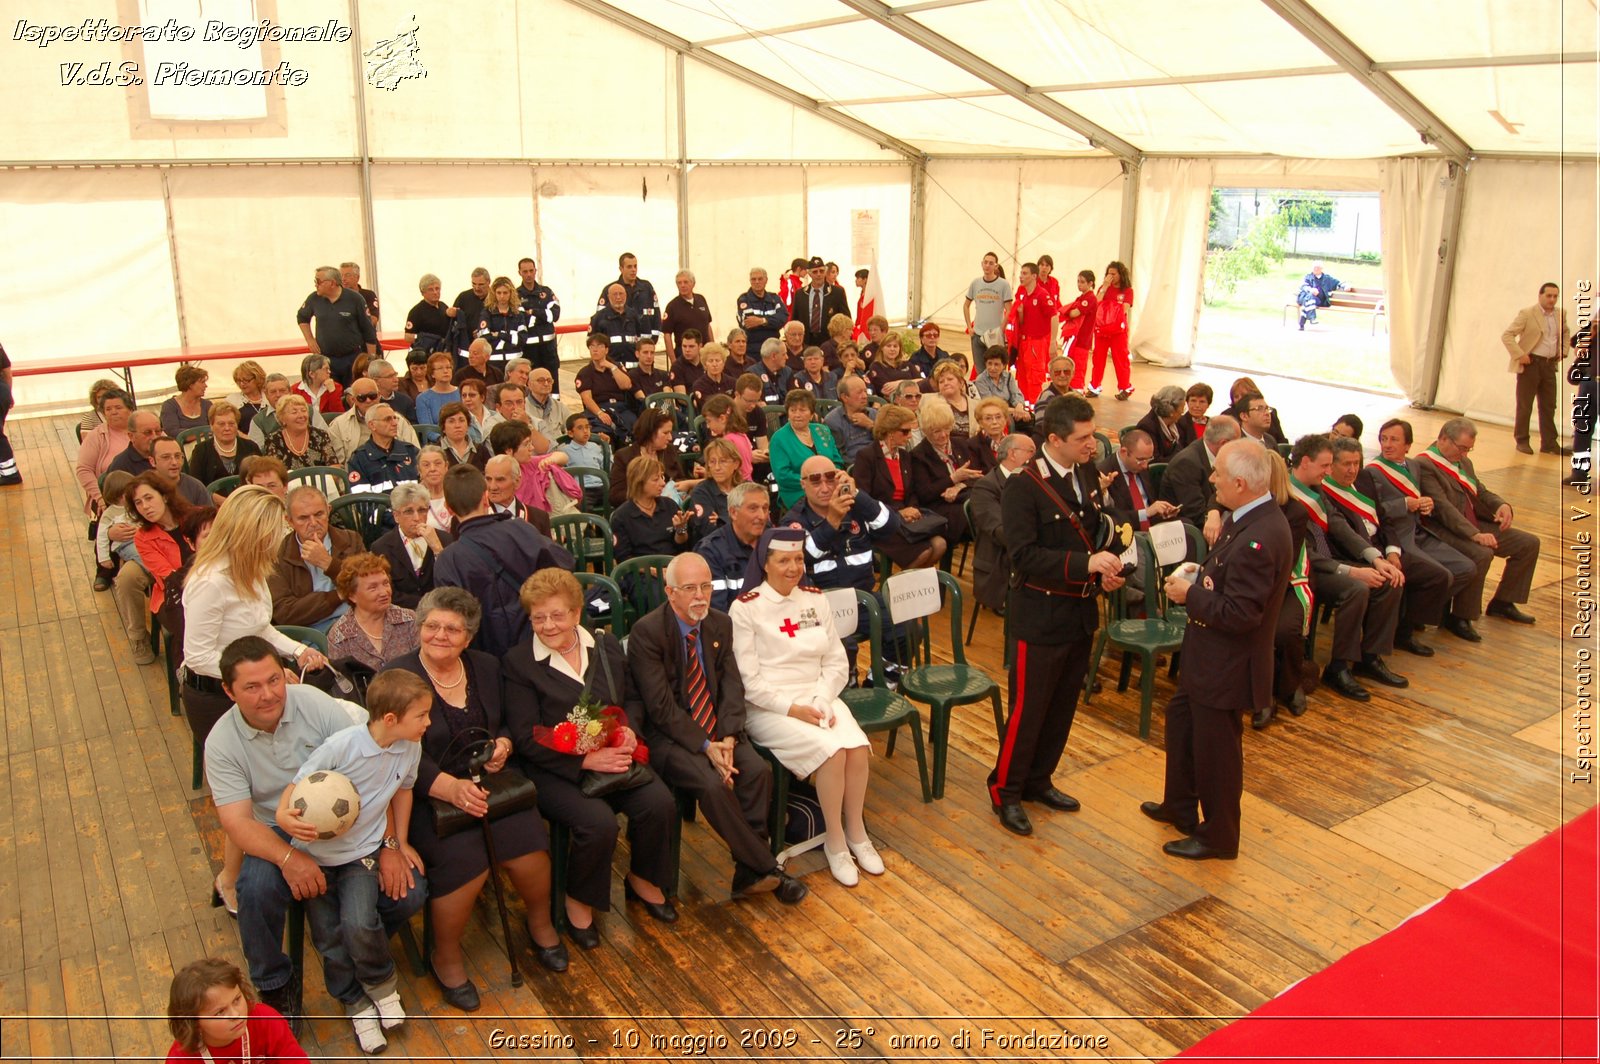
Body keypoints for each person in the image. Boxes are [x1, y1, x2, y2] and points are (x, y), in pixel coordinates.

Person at [392, 589, 566, 1006]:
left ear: (469, 638)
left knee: (528, 850)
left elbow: (506, 722)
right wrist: (448, 787)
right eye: (432, 626)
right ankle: (446, 956)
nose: (440, 635)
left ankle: (540, 925)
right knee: (465, 862)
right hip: (427, 795)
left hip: (493, 786)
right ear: (419, 629)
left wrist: (503, 744)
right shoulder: (397, 677)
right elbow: (394, 750)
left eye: (452, 629)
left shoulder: (486, 666)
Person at [503, 569, 678, 947]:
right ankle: (578, 898)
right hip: (555, 770)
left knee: (660, 803)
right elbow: (523, 735)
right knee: (598, 825)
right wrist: (582, 762)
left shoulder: (607, 645)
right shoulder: (519, 663)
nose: (548, 626)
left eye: (557, 615)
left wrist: (629, 728)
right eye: (538, 617)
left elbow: (631, 696)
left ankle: (643, 879)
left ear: (577, 613)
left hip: (613, 755)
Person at [1143, 439, 1292, 860]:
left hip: (1227, 664)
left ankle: (1220, 835)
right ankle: (1181, 805)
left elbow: (1242, 613)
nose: (1212, 480)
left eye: (1219, 475)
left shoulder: (1259, 537)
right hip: (1207, 656)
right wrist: (1201, 573)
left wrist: (1188, 594)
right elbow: (1227, 577)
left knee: (1217, 754)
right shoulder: (1248, 517)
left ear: (1241, 483)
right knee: (1182, 724)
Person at [628, 553, 807, 903]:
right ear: (670, 592)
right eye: (690, 588)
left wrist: (726, 737)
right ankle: (766, 867)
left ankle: (747, 873)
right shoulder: (647, 633)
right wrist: (706, 746)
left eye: (706, 586)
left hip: (716, 730)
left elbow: (731, 687)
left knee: (757, 771)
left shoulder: (720, 624)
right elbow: (661, 708)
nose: (700, 596)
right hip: (671, 738)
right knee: (712, 785)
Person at [989, 395, 1125, 836]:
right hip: (1041, 612)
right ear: (1054, 439)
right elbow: (1024, 556)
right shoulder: (1022, 487)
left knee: (1063, 703)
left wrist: (1103, 571)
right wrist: (1085, 565)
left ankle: (1039, 779)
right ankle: (1006, 790)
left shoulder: (1084, 470)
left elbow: (1087, 529)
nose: (1093, 446)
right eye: (1083, 438)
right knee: (1030, 709)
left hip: (1079, 608)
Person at [275, 670, 430, 1052]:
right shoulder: (342, 746)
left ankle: (381, 986)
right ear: (390, 719)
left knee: (359, 922)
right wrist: (282, 816)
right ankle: (354, 1002)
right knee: (329, 936)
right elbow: (297, 786)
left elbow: (403, 791)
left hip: (362, 853)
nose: (429, 722)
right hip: (317, 858)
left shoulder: (411, 746)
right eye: (422, 715)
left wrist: (399, 842)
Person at [729, 528, 880, 887]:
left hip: (818, 695)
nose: (793, 567)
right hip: (770, 708)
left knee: (857, 748)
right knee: (832, 752)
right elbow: (749, 682)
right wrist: (793, 708)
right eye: (783, 560)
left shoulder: (815, 599)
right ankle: (836, 842)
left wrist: (822, 698)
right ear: (765, 564)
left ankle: (857, 832)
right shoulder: (745, 608)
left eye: (798, 559)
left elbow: (837, 663)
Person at [1290, 434, 1406, 702]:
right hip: (1304, 570)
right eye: (1325, 466)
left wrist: (1376, 558)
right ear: (1306, 462)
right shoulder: (1285, 493)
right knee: (1357, 589)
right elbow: (1302, 553)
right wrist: (1352, 571)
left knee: (1388, 580)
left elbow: (1339, 526)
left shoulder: (1315, 487)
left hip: (1331, 561)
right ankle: (1339, 666)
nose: (1329, 472)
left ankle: (1369, 658)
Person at [1326, 434, 1452, 659]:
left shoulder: (1363, 480)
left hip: (1383, 547)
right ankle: (1371, 656)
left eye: (1356, 463)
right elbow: (1343, 535)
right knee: (1390, 584)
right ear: (1331, 465)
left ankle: (1403, 632)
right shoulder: (1325, 492)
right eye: (1346, 464)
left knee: (1437, 575)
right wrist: (1379, 559)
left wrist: (1393, 551)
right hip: (1356, 555)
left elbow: (1384, 519)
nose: (1352, 469)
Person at [1419, 417, 1543, 638]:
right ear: (1444, 438)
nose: (1465, 454)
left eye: (1469, 449)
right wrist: (1475, 534)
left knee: (1528, 544)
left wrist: (1502, 504)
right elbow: (1444, 509)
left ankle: (1503, 602)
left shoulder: (1462, 462)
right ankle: (1459, 617)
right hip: (1444, 529)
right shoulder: (1425, 464)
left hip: (1473, 522)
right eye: (1462, 448)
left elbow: (1481, 492)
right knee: (1482, 554)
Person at [432, 464, 573, 656]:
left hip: (485, 658)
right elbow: (565, 564)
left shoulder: (447, 560)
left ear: (448, 508)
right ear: (485, 497)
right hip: (539, 643)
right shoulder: (520, 530)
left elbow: (452, 622)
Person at [847, 408, 944, 572]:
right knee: (924, 552)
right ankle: (894, 590)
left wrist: (912, 509)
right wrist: (898, 513)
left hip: (906, 517)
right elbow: (863, 499)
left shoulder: (905, 457)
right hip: (880, 519)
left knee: (940, 544)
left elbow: (912, 491)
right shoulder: (867, 456)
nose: (910, 436)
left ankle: (912, 590)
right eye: (905, 432)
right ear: (889, 432)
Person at [164, 957, 306, 1062]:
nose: (236, 1014)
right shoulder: (181, 1058)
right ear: (194, 1022)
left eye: (237, 1000)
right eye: (220, 1012)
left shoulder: (265, 1019)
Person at [268, 486, 364, 632]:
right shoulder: (277, 554)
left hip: (358, 620)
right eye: (303, 518)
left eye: (319, 514)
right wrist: (339, 595)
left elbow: (368, 586)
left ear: (329, 510)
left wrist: (328, 563)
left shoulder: (351, 540)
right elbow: (284, 613)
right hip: (310, 631)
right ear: (289, 521)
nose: (313, 523)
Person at [968, 432, 1036, 618]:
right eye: (1031, 451)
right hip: (1001, 567)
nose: (1035, 458)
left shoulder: (1033, 482)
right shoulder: (986, 486)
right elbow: (1001, 532)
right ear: (1013, 454)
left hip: (1027, 557)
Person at [1503, 281, 1573, 455]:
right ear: (1540, 295)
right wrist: (1520, 355)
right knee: (1525, 405)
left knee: (1549, 405)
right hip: (1531, 364)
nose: (1552, 299)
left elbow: (1565, 332)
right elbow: (1507, 335)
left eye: (1555, 296)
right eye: (1548, 296)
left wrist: (1562, 351)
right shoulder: (1527, 313)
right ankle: (1522, 440)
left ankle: (1549, 443)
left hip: (1549, 364)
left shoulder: (1560, 314)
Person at [907, 395, 981, 545]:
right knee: (980, 512)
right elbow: (925, 494)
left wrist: (960, 485)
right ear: (926, 431)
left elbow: (977, 476)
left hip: (966, 498)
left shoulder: (960, 444)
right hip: (940, 507)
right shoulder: (918, 455)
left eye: (946, 428)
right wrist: (952, 479)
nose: (943, 435)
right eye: (936, 431)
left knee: (986, 505)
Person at [326, 553, 418, 671]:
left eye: (385, 583)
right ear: (352, 595)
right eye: (373, 588)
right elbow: (344, 684)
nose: (384, 592)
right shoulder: (340, 636)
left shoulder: (409, 620)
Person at [372, 481, 450, 611]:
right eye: (408, 511)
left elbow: (454, 584)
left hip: (442, 610)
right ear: (396, 516)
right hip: (400, 613)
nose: (417, 517)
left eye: (422, 510)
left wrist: (437, 549)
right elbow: (388, 593)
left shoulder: (445, 540)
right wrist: (424, 606)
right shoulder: (381, 548)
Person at [129, 470, 196, 619]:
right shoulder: (142, 538)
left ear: (165, 496)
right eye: (138, 503)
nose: (145, 506)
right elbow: (168, 577)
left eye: (149, 498)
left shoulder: (195, 517)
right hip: (173, 595)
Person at [1159, 415, 1241, 536]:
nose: (1239, 447)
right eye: (1237, 442)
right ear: (1224, 443)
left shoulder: (1223, 457)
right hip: (1186, 532)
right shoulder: (1186, 463)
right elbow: (1196, 514)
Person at [296, 266, 377, 387]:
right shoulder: (314, 299)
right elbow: (302, 317)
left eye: (318, 282)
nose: (316, 285)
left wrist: (370, 360)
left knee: (352, 391)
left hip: (352, 357)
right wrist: (310, 340)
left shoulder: (355, 299)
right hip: (325, 359)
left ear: (332, 283)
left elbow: (368, 330)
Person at [698, 481, 768, 611]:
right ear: (733, 513)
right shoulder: (711, 551)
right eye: (753, 508)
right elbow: (716, 611)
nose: (762, 516)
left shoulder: (775, 542)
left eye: (765, 508)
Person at [770, 389, 843, 510]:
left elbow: (837, 461)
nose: (797, 414)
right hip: (797, 492)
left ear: (811, 413)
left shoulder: (823, 430)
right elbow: (783, 476)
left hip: (830, 487)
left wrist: (829, 480)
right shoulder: (778, 439)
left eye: (802, 410)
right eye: (792, 410)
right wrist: (814, 483)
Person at [613, 456, 694, 562]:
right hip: (640, 573)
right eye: (656, 479)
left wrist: (680, 529)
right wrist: (656, 571)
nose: (663, 483)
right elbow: (624, 558)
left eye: (662, 477)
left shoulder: (669, 505)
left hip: (672, 567)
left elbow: (681, 547)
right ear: (639, 482)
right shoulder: (621, 517)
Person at [609, 408, 687, 509]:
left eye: (670, 433)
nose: (670, 438)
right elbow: (615, 496)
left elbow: (680, 479)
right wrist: (646, 494)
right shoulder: (624, 456)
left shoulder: (670, 451)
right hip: (637, 512)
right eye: (665, 433)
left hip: (668, 509)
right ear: (650, 432)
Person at [326, 380, 420, 463]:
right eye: (362, 398)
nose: (368, 401)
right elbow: (339, 464)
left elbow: (415, 453)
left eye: (372, 396)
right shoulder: (338, 425)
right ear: (354, 400)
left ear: (379, 396)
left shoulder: (398, 420)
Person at [76, 386, 135, 514]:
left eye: (118, 408)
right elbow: (83, 470)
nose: (113, 412)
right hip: (111, 499)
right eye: (108, 409)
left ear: (130, 409)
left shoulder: (145, 428)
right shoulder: (96, 436)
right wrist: (100, 497)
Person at [1010, 261, 1061, 402]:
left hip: (1036, 343)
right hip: (1024, 342)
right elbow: (1023, 323)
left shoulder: (1042, 295)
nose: (1021, 276)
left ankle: (1035, 410)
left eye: (1024, 273)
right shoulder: (1025, 296)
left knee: (1034, 378)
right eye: (1020, 273)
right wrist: (1020, 314)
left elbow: (1054, 316)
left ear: (1033, 276)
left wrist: (1052, 342)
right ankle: (1026, 409)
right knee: (1022, 378)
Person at [188, 401, 263, 492]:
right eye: (221, 424)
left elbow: (261, 480)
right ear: (211, 426)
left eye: (231, 423)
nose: (227, 428)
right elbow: (197, 487)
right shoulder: (201, 451)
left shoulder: (251, 447)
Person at [575, 330, 636, 442]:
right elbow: (587, 398)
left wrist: (612, 367)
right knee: (603, 430)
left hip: (621, 408)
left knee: (637, 427)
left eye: (599, 346)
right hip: (600, 408)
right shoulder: (585, 373)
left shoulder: (615, 367)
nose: (595, 349)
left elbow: (626, 385)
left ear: (606, 350)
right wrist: (600, 413)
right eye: (592, 346)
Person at [346, 403, 420, 493]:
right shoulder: (359, 459)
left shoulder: (411, 451)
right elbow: (362, 500)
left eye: (395, 418)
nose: (395, 423)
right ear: (372, 425)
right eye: (388, 419)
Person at [595, 252, 661, 346]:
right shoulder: (611, 290)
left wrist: (653, 340)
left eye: (635, 266)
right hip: (618, 349)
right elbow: (599, 319)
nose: (633, 270)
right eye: (629, 267)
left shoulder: (647, 288)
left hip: (645, 347)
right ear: (621, 269)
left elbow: (656, 314)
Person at [1091, 261, 1135, 401]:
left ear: (1120, 275)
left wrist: (1109, 308)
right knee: (1098, 359)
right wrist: (1104, 287)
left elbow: (1124, 308)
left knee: (1120, 359)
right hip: (1102, 330)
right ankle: (1094, 386)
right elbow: (1096, 303)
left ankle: (1124, 388)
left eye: (1113, 274)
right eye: (1109, 273)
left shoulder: (1127, 290)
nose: (1110, 276)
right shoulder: (1103, 289)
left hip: (1118, 332)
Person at [262, 395, 341, 471]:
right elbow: (275, 473)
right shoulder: (273, 440)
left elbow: (334, 467)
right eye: (294, 412)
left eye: (303, 410)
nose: (301, 415)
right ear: (282, 418)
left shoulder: (321, 435)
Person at [515, 258, 562, 385]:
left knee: (552, 385)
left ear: (536, 271)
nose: (529, 274)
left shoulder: (546, 292)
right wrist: (544, 314)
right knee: (531, 384)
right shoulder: (515, 295)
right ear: (519, 272)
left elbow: (555, 315)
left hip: (549, 349)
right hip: (528, 350)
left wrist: (533, 312)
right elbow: (521, 319)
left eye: (531, 270)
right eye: (525, 271)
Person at [963, 251, 1014, 364]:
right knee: (980, 372)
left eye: (991, 263)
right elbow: (966, 305)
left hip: (994, 336)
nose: (987, 265)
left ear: (996, 266)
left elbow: (1009, 309)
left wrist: (1001, 329)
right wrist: (969, 327)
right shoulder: (975, 283)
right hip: (977, 334)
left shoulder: (1004, 285)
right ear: (982, 264)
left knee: (996, 369)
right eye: (985, 262)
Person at [687, 438, 744, 539]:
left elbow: (764, 524)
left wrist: (722, 520)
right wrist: (743, 520)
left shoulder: (746, 489)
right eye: (712, 462)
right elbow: (709, 530)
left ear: (736, 464)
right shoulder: (700, 493)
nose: (717, 467)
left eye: (723, 461)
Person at [794, 256, 851, 347]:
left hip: (830, 343)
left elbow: (846, 319)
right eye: (815, 272)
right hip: (806, 342)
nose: (818, 274)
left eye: (821, 271)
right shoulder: (800, 294)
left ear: (825, 272)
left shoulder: (837, 293)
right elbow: (795, 319)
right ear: (809, 273)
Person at [662, 268, 713, 362]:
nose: (682, 285)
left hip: (704, 355)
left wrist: (712, 348)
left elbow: (708, 325)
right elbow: (667, 335)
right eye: (679, 283)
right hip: (685, 357)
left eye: (686, 282)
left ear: (693, 283)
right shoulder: (672, 306)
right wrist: (673, 360)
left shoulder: (701, 299)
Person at [824, 374, 876, 463]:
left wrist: (871, 425)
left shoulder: (874, 414)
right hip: (854, 465)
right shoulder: (832, 421)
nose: (864, 396)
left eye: (865, 391)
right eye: (859, 392)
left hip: (879, 461)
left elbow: (887, 441)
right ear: (845, 397)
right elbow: (839, 455)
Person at [974, 346, 1032, 425]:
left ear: (1004, 365)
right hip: (994, 414)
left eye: (996, 364)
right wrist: (1016, 411)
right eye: (989, 364)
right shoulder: (981, 380)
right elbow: (991, 404)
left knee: (1030, 419)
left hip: (1011, 411)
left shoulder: (1008, 376)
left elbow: (1016, 394)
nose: (992, 368)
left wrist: (1019, 406)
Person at [736, 267, 788, 352]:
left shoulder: (775, 299)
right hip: (753, 350)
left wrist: (762, 321)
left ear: (766, 280)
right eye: (753, 279)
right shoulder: (743, 299)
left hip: (774, 349)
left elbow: (783, 318)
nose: (757, 282)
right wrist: (772, 323)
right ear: (750, 281)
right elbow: (748, 323)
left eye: (760, 279)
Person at [1061, 270, 1097, 388]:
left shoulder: (1089, 298)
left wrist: (1068, 311)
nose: (1079, 284)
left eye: (1082, 282)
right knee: (1071, 365)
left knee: (1078, 367)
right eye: (1078, 281)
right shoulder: (1081, 298)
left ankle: (1077, 391)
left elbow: (1075, 313)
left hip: (1082, 339)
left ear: (1090, 283)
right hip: (1076, 339)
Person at [404, 273, 453, 353]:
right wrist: (424, 338)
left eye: (437, 288)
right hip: (425, 354)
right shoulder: (416, 311)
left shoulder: (444, 306)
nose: (435, 292)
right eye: (431, 289)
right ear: (423, 292)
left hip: (443, 352)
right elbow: (407, 337)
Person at [160, 365, 212, 439]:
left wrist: (190, 434)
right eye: (202, 382)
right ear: (190, 384)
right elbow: (173, 432)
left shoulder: (207, 405)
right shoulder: (169, 406)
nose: (206, 386)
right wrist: (203, 432)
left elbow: (215, 428)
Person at [1136, 386, 1187, 462]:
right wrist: (1180, 458)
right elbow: (1154, 460)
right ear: (1171, 411)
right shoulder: (1147, 427)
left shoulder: (1174, 424)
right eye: (1182, 407)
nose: (1183, 411)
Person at [864, 331, 919, 400]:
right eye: (888, 346)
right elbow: (887, 390)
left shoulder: (907, 364)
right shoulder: (876, 366)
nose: (892, 349)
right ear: (882, 348)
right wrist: (912, 382)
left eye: (895, 346)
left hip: (914, 400)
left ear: (899, 349)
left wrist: (899, 383)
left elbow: (922, 382)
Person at [414, 352, 462, 429]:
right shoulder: (423, 398)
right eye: (440, 368)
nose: (446, 371)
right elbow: (428, 429)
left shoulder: (462, 393)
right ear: (432, 374)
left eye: (448, 367)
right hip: (438, 440)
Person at [108, 409, 161, 477]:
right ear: (131, 436)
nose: (154, 437)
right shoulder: (121, 466)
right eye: (147, 432)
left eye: (157, 431)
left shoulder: (169, 454)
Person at [1296, 260, 1347, 330]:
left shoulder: (1327, 278)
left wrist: (1346, 286)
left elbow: (1338, 283)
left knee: (1308, 301)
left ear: (1321, 269)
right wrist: (1311, 290)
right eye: (1314, 267)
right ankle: (1312, 318)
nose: (1315, 269)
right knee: (1310, 297)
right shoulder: (1308, 277)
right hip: (1305, 297)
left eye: (1317, 267)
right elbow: (1303, 286)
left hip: (1319, 300)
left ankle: (1302, 323)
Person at [437, 402, 490, 470]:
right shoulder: (435, 452)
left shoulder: (481, 451)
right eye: (451, 421)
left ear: (468, 425)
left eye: (461, 420)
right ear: (443, 427)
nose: (457, 425)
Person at [929, 360, 975, 436]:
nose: (946, 383)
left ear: (961, 382)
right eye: (941, 381)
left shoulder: (976, 405)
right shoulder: (933, 406)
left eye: (950, 379)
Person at [340, 261, 380, 328]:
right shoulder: (336, 297)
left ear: (357, 277)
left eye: (347, 275)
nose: (343, 279)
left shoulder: (368, 295)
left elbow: (374, 319)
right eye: (341, 275)